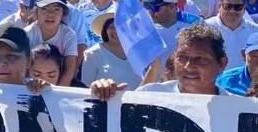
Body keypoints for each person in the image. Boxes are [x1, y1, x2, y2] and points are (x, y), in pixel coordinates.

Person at [90, 23, 230, 99]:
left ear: (221, 64)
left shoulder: (235, 108)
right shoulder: (148, 95)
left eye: (200, 59)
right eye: (182, 57)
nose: (188, 66)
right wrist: (103, 94)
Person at [24, 0, 77, 85]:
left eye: (56, 9)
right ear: (36, 12)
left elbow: (69, 69)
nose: (50, 14)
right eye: (44, 9)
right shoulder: (26, 34)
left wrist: (58, 91)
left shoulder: (69, 35)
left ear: (63, 13)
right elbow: (21, 68)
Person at [80, 12, 141, 88]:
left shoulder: (139, 52)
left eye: (121, 27)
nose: (116, 31)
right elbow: (86, 87)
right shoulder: (92, 54)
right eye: (112, 27)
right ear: (105, 29)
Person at [205, 0, 258, 69]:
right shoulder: (205, 28)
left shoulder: (255, 30)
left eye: (238, 7)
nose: (232, 10)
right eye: (227, 6)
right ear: (219, 6)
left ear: (244, 9)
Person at [144, 0, 189, 67]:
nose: (150, 12)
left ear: (172, 7)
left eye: (155, 8)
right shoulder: (145, 25)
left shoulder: (193, 25)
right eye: (148, 6)